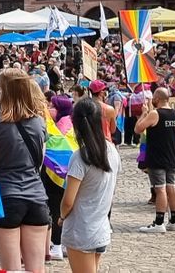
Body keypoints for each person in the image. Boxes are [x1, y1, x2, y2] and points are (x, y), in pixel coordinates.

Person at [0, 68, 50, 273]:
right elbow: (40, 162)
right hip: (36, 196)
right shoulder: (39, 123)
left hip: (7, 197)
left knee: (10, 269)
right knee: (36, 269)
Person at [59, 98, 120, 273]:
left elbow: (68, 200)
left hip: (81, 229)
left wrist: (62, 216)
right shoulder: (111, 150)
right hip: (100, 227)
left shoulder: (80, 157)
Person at [135, 87, 175, 233]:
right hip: (170, 156)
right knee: (171, 186)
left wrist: (144, 114)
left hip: (157, 157)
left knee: (160, 189)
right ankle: (174, 220)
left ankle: (159, 222)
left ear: (157, 99)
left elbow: (138, 129)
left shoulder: (155, 114)